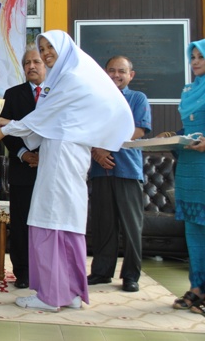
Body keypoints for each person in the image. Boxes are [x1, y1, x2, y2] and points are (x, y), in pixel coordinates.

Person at [0, 30, 134, 311]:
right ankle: (70, 292)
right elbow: (45, 122)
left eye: (49, 48)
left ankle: (50, 297)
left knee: (50, 222)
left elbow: (41, 118)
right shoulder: (65, 78)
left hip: (61, 159)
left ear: (65, 49)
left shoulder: (70, 80)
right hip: (64, 155)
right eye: (42, 48)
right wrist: (9, 127)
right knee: (66, 224)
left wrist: (2, 131)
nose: (45, 54)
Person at [87, 56, 151, 293]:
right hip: (100, 170)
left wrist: (107, 147)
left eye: (121, 71)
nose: (116, 75)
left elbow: (138, 130)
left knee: (131, 227)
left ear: (130, 75)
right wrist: (96, 151)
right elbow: (87, 129)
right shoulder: (95, 99)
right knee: (103, 225)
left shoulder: (137, 98)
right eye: (111, 70)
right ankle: (102, 272)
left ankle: (131, 275)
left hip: (127, 171)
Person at [160, 39, 205, 314]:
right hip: (189, 169)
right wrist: (171, 138)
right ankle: (197, 288)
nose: (195, 62)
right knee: (194, 231)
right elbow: (189, 130)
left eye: (201, 57)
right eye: (193, 57)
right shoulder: (189, 90)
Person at [0, 42, 46, 289]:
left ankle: (46, 270)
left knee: (47, 224)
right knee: (21, 224)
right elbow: (5, 131)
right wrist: (23, 153)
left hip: (51, 169)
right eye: (27, 62)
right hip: (22, 170)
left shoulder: (57, 93)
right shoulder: (13, 94)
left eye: (36, 61)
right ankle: (23, 272)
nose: (31, 66)